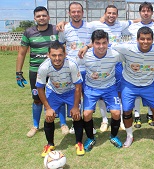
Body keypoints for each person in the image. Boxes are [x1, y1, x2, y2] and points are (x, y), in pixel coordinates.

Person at [112, 27, 154, 151]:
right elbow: (106, 45)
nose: (145, 42)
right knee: (126, 111)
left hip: (149, 85)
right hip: (129, 85)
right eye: (142, 39)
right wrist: (87, 47)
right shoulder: (127, 48)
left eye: (148, 39)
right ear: (137, 39)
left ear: (153, 40)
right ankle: (129, 136)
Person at [16, 6, 68, 138]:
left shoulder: (55, 29)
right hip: (36, 71)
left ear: (48, 17)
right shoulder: (28, 32)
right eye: (38, 16)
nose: (41, 18)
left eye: (44, 15)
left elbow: (71, 24)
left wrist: (63, 23)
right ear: (34, 18)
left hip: (55, 70)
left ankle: (63, 124)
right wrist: (18, 72)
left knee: (59, 95)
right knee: (37, 99)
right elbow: (22, 53)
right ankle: (35, 126)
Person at [36, 41, 84, 157]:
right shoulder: (43, 67)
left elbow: (78, 86)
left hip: (71, 91)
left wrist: (75, 107)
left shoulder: (72, 64)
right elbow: (40, 88)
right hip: (54, 92)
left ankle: (79, 143)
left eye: (60, 55)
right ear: (48, 55)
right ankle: (50, 144)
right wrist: (47, 108)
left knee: (77, 116)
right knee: (49, 117)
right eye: (54, 55)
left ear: (65, 54)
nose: (57, 58)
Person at [58, 2, 97, 135]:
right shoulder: (65, 28)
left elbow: (97, 41)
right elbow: (61, 45)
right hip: (71, 70)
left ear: (82, 12)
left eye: (78, 11)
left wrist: (87, 47)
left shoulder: (90, 26)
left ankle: (89, 124)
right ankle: (76, 122)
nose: (76, 14)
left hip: (88, 68)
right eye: (73, 12)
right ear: (69, 13)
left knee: (87, 96)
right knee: (75, 97)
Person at [82, 30, 123, 152]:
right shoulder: (85, 55)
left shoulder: (115, 54)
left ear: (108, 43)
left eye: (104, 43)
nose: (101, 46)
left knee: (116, 113)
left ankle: (114, 136)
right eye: (97, 43)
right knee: (87, 114)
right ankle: (90, 138)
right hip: (91, 88)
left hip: (110, 88)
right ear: (92, 43)